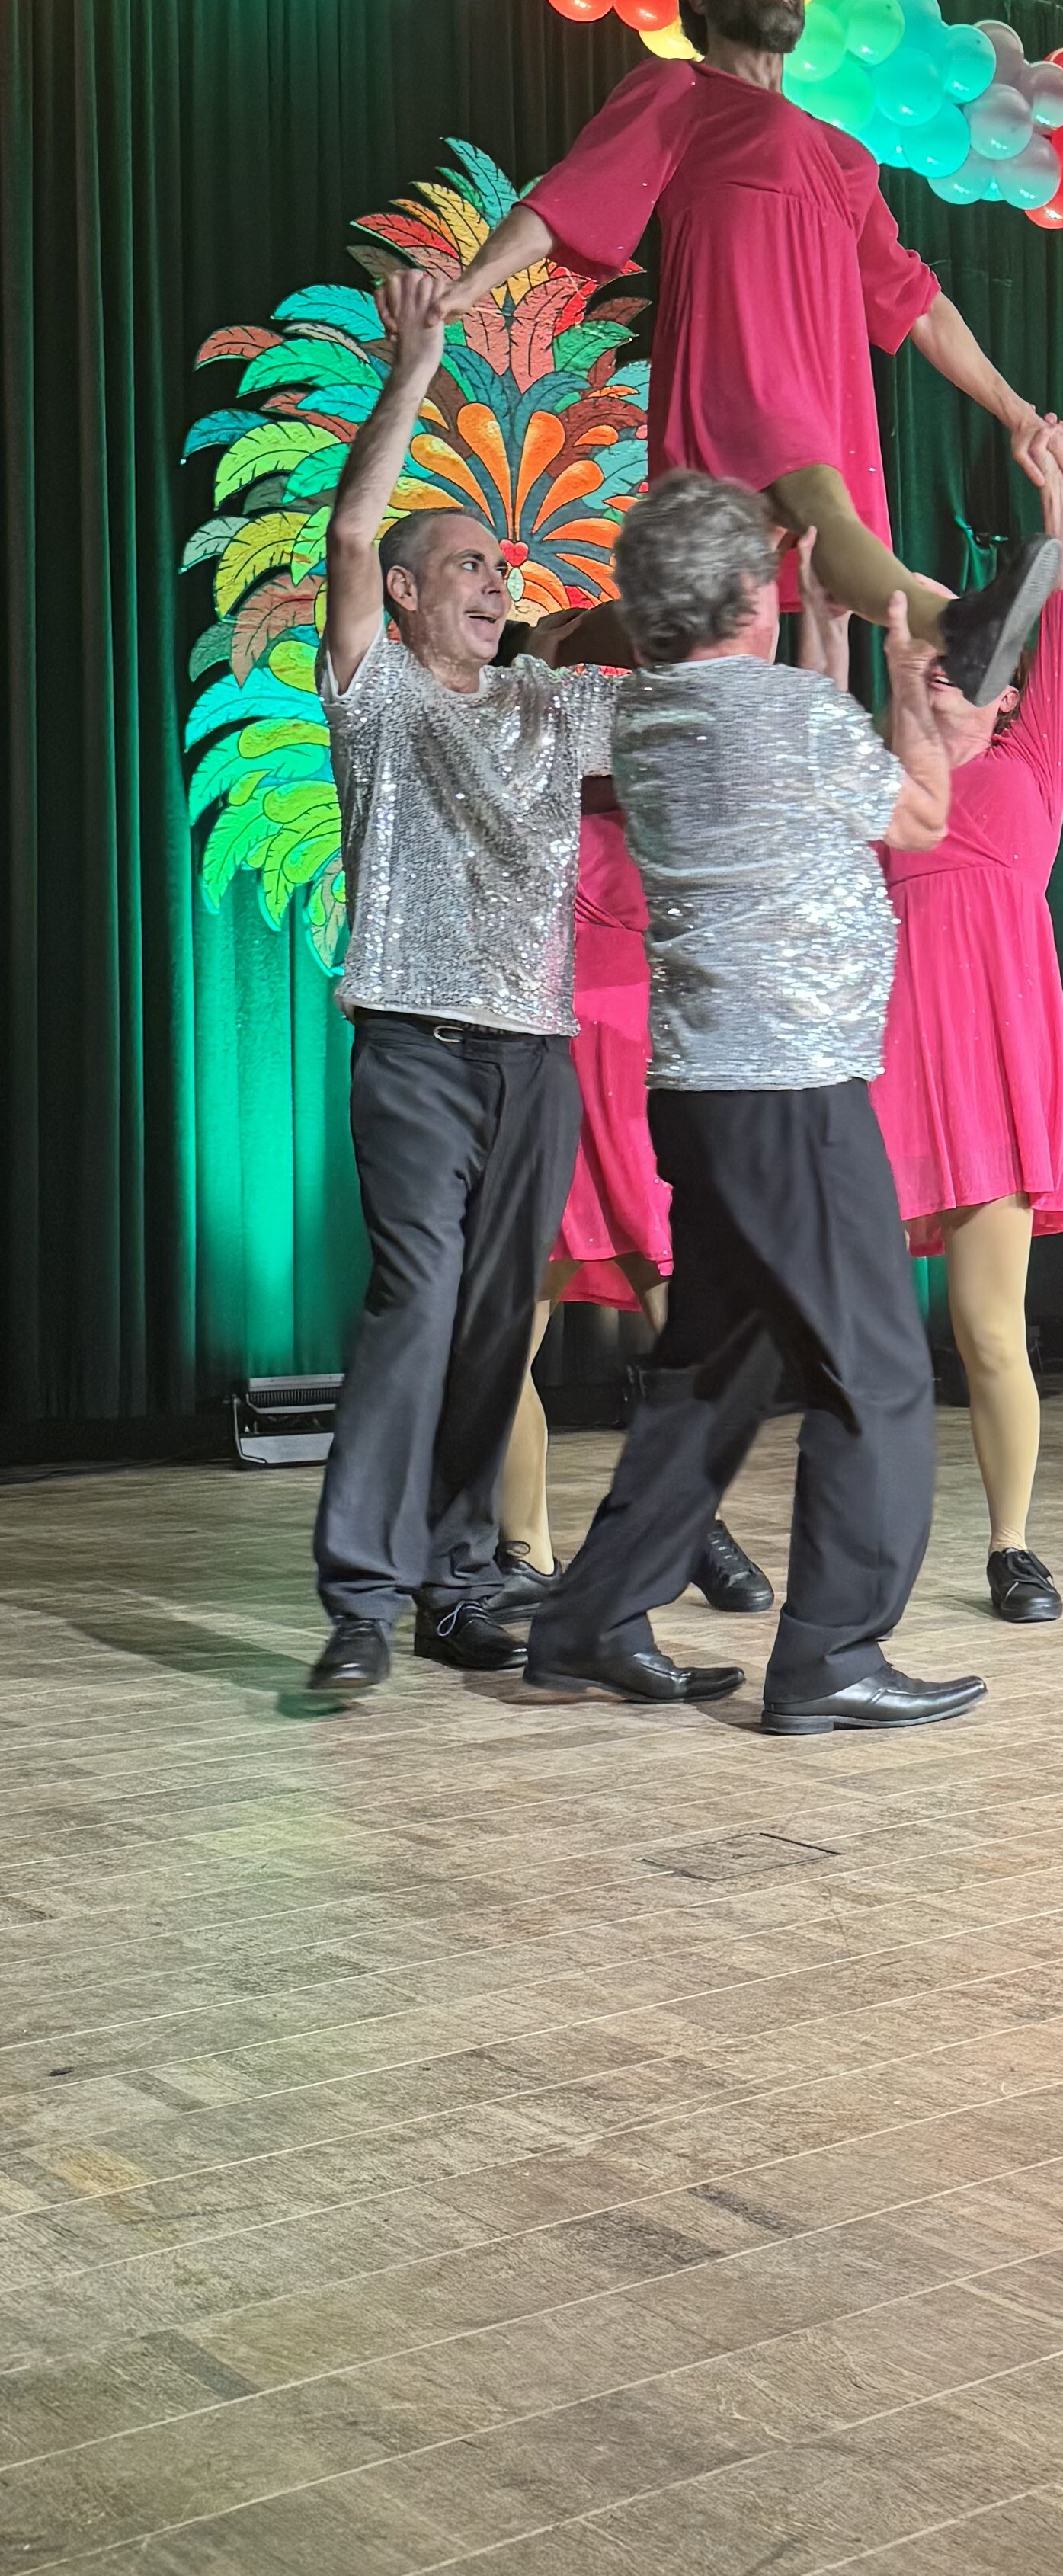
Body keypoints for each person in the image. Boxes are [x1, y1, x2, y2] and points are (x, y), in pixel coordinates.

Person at [521, 469, 991, 1725]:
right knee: (874, 1376)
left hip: (702, 1091)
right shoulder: (795, 715)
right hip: (792, 1089)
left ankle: (588, 1617)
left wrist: (829, 641)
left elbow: (785, 759)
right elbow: (919, 818)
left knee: (711, 1374)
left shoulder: (640, 714)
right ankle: (831, 1658)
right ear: (747, 590)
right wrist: (911, 692)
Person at [421, 0, 1058, 706]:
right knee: (816, 524)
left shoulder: (847, 159)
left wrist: (1016, 411)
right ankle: (955, 629)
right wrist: (463, 289)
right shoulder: (681, 93)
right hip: (737, 371)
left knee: (718, 624)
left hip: (825, 394)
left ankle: (549, 648)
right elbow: (568, 201)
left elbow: (916, 304)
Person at [304, 275, 623, 1701]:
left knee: (500, 1325)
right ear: (406, 593)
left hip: (534, 1057)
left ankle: (453, 1583)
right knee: (418, 1304)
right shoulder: (377, 695)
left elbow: (687, 693)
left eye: (504, 568)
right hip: (417, 1050)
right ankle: (362, 1598)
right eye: (468, 566)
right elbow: (348, 529)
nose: (497, 583)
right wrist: (416, 365)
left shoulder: (553, 705)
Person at [862, 417, 1063, 1624]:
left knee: (988, 1332)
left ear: (1003, 696)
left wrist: (1057, 490)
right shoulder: (871, 792)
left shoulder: (1028, 768)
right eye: (934, 663)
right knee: (862, 1348)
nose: (949, 675)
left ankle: (1012, 1545)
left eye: (971, 666)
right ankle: (858, 1552)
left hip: (998, 1080)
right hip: (888, 1081)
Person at [491, 783, 773, 1621]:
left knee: (687, 1328)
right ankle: (525, 1551)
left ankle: (693, 1525)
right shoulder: (516, 770)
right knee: (502, 1338)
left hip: (639, 1061)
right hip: (536, 1057)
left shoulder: (668, 769)